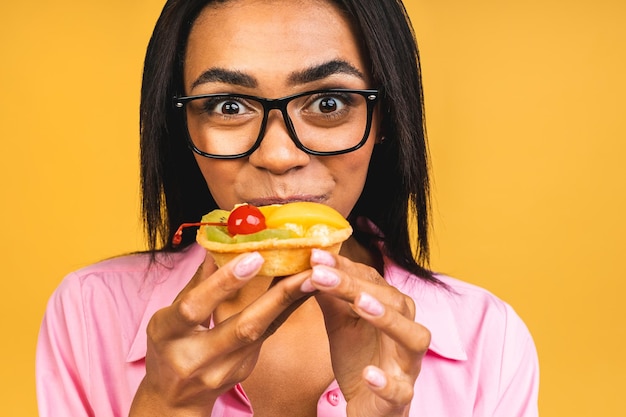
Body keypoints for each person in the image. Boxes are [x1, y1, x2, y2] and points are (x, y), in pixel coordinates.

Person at [36, 0, 540, 416]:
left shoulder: (487, 340)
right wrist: (164, 407)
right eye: (228, 106)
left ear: (385, 116)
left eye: (327, 103)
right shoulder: (90, 312)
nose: (277, 156)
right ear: (183, 130)